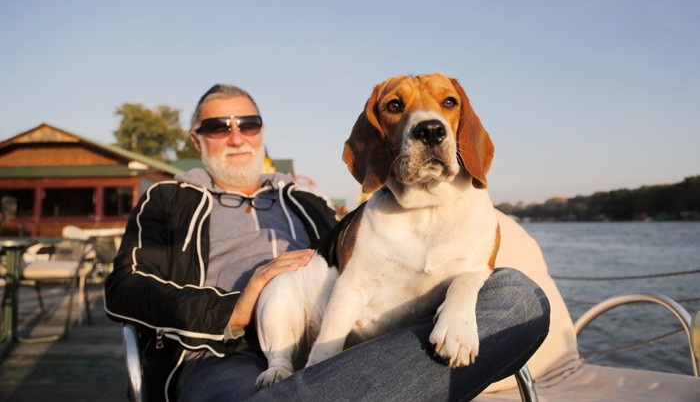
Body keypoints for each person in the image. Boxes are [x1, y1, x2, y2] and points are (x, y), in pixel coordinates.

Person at [105, 84, 550, 402]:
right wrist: (235, 309)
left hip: (350, 346)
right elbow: (123, 290)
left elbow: (364, 257)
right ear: (196, 139)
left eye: (249, 123)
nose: (236, 136)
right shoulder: (165, 200)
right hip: (224, 354)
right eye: (219, 126)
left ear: (262, 133)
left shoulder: (305, 198)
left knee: (518, 298)